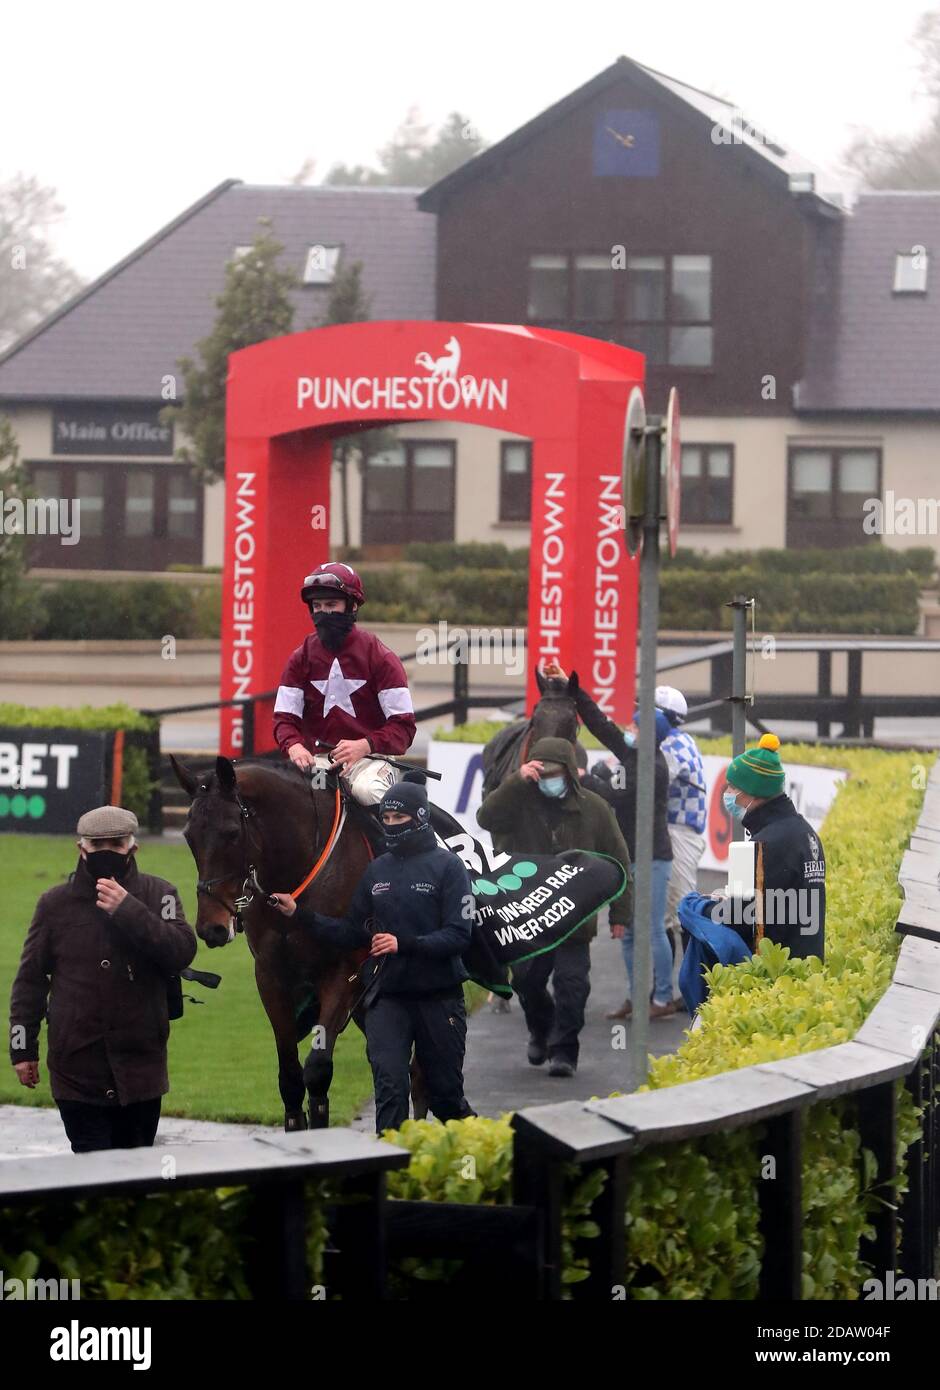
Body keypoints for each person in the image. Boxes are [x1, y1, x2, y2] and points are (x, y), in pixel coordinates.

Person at [269, 772, 475, 1133]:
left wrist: (404, 943)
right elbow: (350, 932)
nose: (392, 825)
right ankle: (389, 1172)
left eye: (401, 818)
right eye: (388, 819)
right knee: (390, 1091)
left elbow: (459, 935)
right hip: (388, 998)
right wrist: (298, 913)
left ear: (421, 818)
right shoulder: (377, 870)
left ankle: (478, 1161)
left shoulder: (449, 868)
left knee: (445, 1095)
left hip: (438, 997)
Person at [8, 806, 196, 1154]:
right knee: (91, 1173)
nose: (107, 851)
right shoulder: (54, 904)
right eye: (98, 845)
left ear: (133, 848)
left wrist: (129, 909)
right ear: (82, 849)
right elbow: (30, 979)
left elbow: (182, 950)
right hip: (76, 1068)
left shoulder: (161, 894)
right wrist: (22, 1048)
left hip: (141, 1068)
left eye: (116, 843)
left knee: (135, 1175)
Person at [476, 735, 634, 1077]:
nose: (547, 780)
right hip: (530, 920)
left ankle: (565, 1051)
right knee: (527, 983)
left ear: (570, 773)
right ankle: (540, 1029)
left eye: (554, 774)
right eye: (541, 773)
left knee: (573, 986)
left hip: (574, 921)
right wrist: (516, 781)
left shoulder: (594, 808)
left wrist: (621, 913)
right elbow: (486, 817)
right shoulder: (517, 803)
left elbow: (619, 859)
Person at [561, 675, 676, 1020]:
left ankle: (663, 998)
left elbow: (611, 793)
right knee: (628, 932)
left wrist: (582, 777)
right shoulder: (632, 750)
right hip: (631, 855)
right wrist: (574, 690)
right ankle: (636, 997)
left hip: (652, 857)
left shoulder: (652, 767)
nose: (628, 729)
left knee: (651, 928)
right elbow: (600, 724)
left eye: (636, 726)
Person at [273, 561, 417, 805]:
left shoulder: (381, 658)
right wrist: (295, 746)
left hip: (370, 761)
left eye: (331, 605)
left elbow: (404, 729)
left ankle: (393, 843)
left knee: (368, 791)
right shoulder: (300, 658)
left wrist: (365, 745)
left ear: (352, 607)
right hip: (317, 763)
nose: (323, 613)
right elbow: (284, 719)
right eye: (317, 606)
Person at [721, 733, 826, 960]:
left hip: (777, 975)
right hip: (807, 968)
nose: (727, 795)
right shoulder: (807, 833)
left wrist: (704, 909)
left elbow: (740, 919)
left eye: (732, 788)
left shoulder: (763, 844)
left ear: (753, 794)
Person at [655, 686, 707, 958]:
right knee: (668, 915)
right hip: (679, 831)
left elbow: (649, 786)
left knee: (680, 914)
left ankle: (692, 994)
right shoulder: (681, 740)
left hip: (679, 834)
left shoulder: (670, 747)